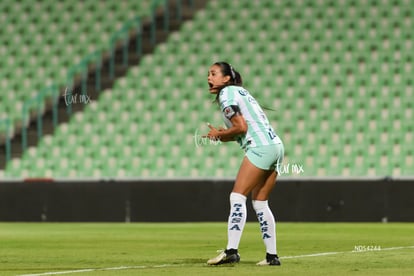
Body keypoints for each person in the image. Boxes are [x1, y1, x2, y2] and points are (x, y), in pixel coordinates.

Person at [204, 61, 284, 266]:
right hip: (275, 146)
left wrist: (219, 133)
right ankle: (272, 256)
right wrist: (221, 136)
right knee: (260, 203)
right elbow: (241, 130)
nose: (209, 78)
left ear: (226, 78)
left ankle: (231, 250)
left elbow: (241, 126)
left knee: (237, 196)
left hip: (260, 148)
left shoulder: (226, 94)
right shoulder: (240, 92)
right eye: (208, 74)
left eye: (213, 73)